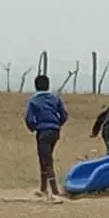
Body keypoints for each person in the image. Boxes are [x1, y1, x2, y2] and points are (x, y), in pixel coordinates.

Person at [25, 74, 70, 203]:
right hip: (55, 130)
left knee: (46, 159)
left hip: (43, 131)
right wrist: (58, 124)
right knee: (45, 157)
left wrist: (33, 127)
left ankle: (54, 190)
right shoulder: (55, 98)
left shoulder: (34, 101)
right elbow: (64, 114)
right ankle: (43, 188)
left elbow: (28, 118)